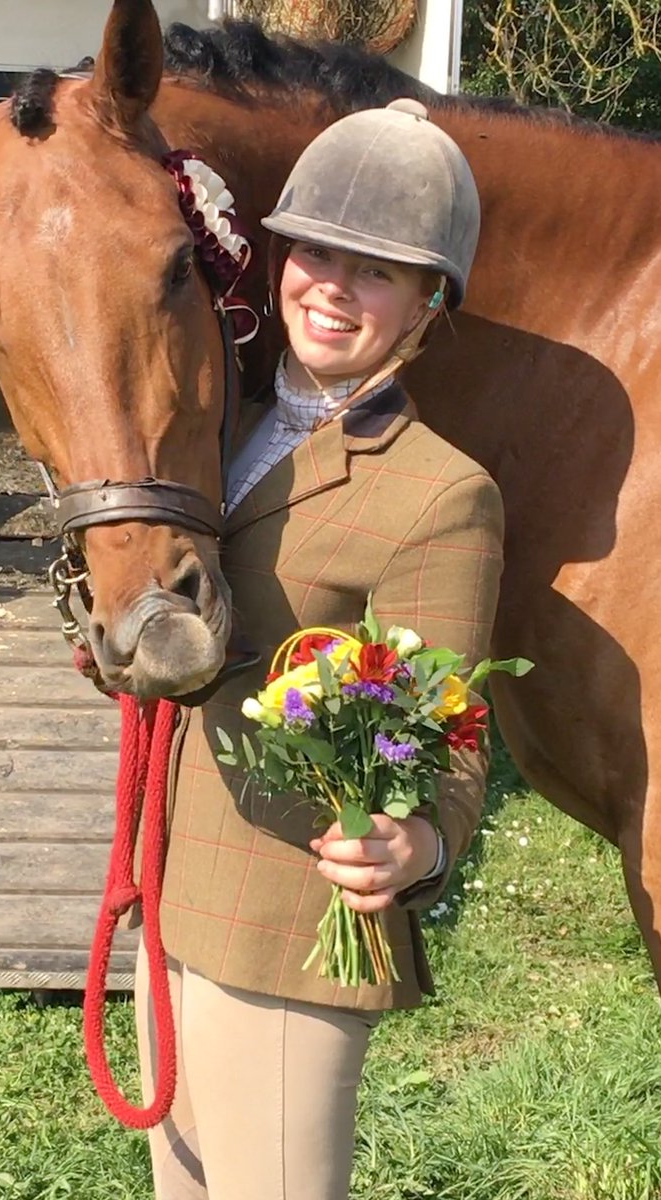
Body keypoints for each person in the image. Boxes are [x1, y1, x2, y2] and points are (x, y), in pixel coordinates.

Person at [135, 98, 504, 1200]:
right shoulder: (214, 420)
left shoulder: (442, 493)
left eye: (375, 270)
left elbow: (450, 737)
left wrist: (419, 851)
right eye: (316, 253)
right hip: (165, 887)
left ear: (428, 301)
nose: (331, 287)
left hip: (287, 922)